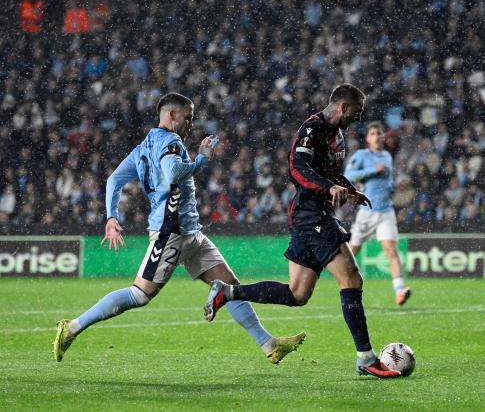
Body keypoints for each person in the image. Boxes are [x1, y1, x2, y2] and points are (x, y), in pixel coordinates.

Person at [53, 92, 305, 362]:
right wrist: (201, 159)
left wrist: (111, 216)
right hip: (170, 232)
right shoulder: (171, 141)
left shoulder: (143, 147)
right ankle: (72, 327)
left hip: (190, 233)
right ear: (171, 115)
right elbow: (173, 172)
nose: (190, 124)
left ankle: (269, 344)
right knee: (139, 295)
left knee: (229, 285)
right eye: (188, 117)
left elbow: (114, 179)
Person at [203, 84, 402, 378]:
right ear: (343, 108)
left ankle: (228, 292)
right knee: (351, 278)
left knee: (297, 293)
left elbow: (330, 171)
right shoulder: (312, 129)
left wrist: (348, 189)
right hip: (311, 214)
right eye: (356, 113)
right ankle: (366, 358)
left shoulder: (337, 133)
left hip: (312, 216)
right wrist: (328, 187)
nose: (357, 119)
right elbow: (297, 169)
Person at [344, 121, 411, 305]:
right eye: (373, 133)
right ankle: (330, 274)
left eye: (380, 133)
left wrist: (394, 187)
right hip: (367, 211)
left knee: (391, 250)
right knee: (351, 252)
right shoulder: (362, 155)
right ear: (368, 138)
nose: (377, 136)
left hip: (386, 211)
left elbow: (386, 181)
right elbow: (348, 175)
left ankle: (399, 290)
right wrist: (372, 170)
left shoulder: (387, 156)